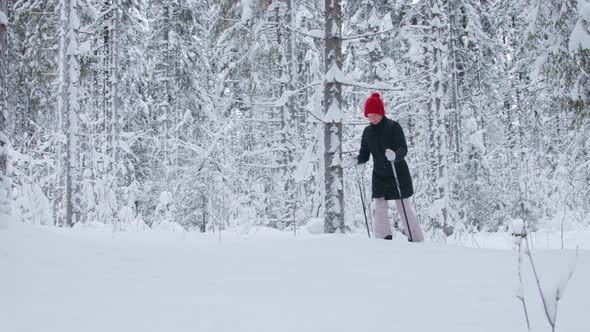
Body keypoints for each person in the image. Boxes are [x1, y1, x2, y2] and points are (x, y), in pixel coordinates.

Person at [354, 92, 424, 242]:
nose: (372, 119)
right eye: (369, 116)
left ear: (381, 113)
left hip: (397, 172)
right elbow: (365, 153)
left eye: (374, 115)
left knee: (403, 207)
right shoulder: (367, 132)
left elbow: (403, 148)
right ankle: (383, 238)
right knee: (379, 208)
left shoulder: (393, 127)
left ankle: (416, 238)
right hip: (379, 175)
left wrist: (395, 155)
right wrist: (357, 160)